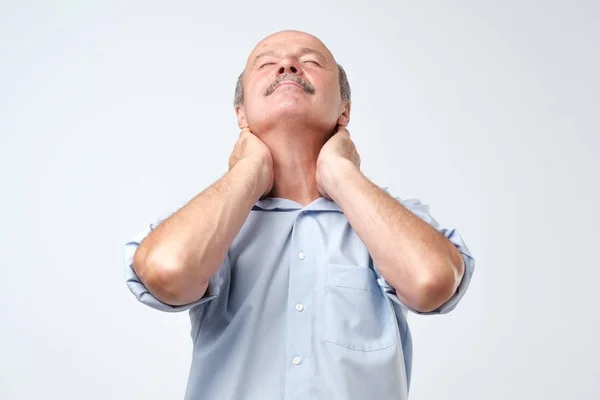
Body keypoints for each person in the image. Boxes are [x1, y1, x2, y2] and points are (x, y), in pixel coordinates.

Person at [124, 30, 474, 400]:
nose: (287, 65)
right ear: (240, 113)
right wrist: (248, 170)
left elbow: (431, 282)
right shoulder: (210, 219)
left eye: (310, 61)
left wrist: (341, 174)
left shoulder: (392, 218)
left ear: (345, 109)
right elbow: (166, 271)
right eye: (266, 63)